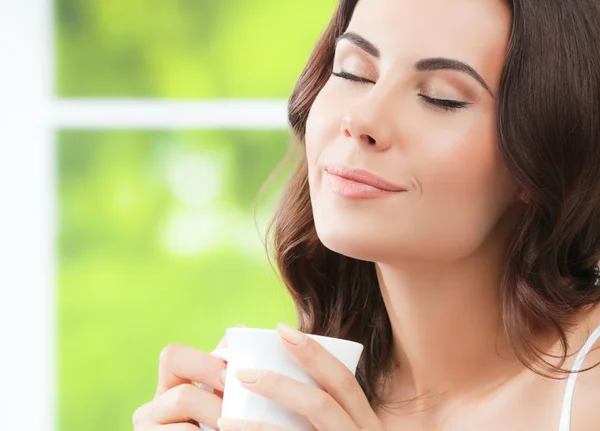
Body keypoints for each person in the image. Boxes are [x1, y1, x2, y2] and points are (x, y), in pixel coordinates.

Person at [132, 0, 600, 429]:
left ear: (548, 152)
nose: (361, 119)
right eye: (353, 73)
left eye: (441, 97)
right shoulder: (298, 395)